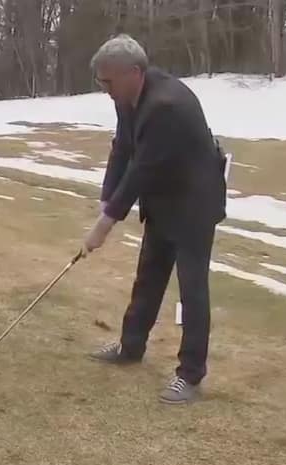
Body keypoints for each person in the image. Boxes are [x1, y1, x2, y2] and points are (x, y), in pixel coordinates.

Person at [81, 34, 228, 405]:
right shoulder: (127, 98)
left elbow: (140, 171)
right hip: (163, 200)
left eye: (108, 82)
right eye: (101, 82)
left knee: (192, 290)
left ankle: (190, 375)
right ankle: (130, 347)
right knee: (148, 276)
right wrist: (104, 200)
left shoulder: (167, 105)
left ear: (134, 72)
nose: (104, 90)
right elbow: (123, 149)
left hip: (194, 204)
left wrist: (105, 225)